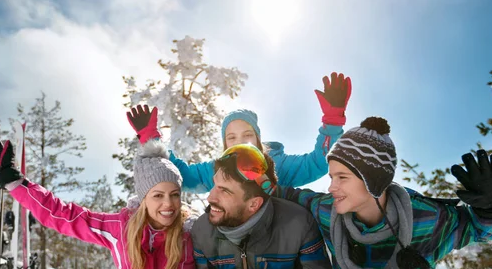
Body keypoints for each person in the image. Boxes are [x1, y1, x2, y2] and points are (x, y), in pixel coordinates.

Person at [275, 116, 492, 269]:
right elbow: (285, 193)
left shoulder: (428, 218)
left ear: (373, 180)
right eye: (331, 177)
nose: (331, 187)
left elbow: (480, 229)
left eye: (342, 177)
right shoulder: (327, 209)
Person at [0, 138, 198, 269]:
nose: (168, 204)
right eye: (158, 195)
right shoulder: (120, 228)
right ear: (143, 199)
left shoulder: (190, 234)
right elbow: (64, 215)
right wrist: (15, 183)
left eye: (174, 195)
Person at [158, 143, 337, 269]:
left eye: (224, 190)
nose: (211, 197)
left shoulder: (298, 225)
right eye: (214, 185)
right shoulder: (202, 231)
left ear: (254, 204)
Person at [126, 72, 352, 192]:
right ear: (225, 144)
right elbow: (181, 176)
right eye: (231, 137)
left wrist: (332, 123)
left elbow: (317, 163)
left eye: (247, 135)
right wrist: (151, 139)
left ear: (258, 138)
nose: (240, 142)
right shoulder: (216, 170)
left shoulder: (277, 165)